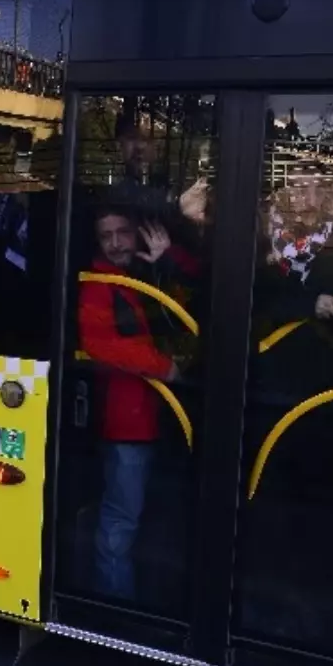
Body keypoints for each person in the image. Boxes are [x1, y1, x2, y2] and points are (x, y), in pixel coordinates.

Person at [77, 204, 198, 600]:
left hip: (161, 416)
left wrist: (168, 260)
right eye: (106, 236)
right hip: (127, 418)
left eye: (122, 233)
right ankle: (115, 605)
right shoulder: (99, 282)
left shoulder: (145, 271)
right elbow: (102, 344)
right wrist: (166, 368)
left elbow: (203, 283)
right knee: (121, 519)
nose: (115, 243)